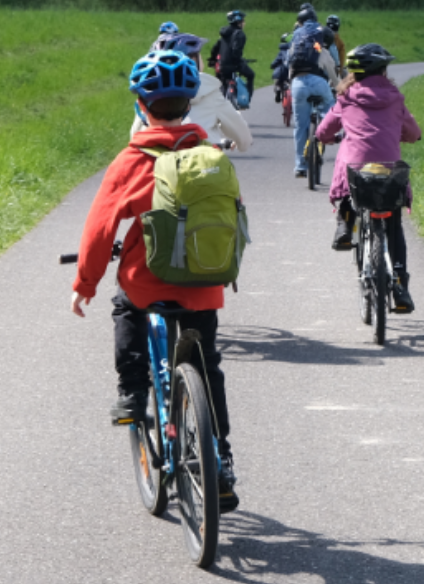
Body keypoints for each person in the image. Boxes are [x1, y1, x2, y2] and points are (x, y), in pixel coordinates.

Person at [73, 49, 239, 510]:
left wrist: (84, 284)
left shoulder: (131, 160)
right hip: (203, 285)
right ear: (188, 105)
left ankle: (131, 392)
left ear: (141, 106)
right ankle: (220, 461)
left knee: (125, 305)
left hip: (148, 284)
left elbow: (100, 229)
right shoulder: (210, 156)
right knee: (208, 366)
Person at [315, 43, 420, 313]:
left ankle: (345, 222)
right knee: (394, 225)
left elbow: (323, 132)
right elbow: (413, 132)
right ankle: (400, 286)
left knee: (349, 171)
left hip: (357, 173)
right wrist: (401, 134)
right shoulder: (395, 99)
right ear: (383, 71)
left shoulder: (346, 98)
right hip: (389, 173)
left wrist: (331, 137)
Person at [131, 33, 252, 151]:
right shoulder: (210, 93)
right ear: (192, 61)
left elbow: (134, 137)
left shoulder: (151, 96)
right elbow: (244, 139)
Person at [287, 7, 339, 177]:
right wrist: (338, 87)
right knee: (330, 106)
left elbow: (288, 64)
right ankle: (327, 130)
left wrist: (292, 84)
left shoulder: (295, 42)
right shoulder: (320, 49)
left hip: (298, 84)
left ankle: (300, 167)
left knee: (300, 126)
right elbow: (332, 71)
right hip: (318, 82)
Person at [215, 10, 254, 101]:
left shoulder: (224, 34)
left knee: (223, 83)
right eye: (243, 20)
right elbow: (236, 52)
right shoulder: (239, 34)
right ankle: (247, 97)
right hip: (233, 65)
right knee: (251, 75)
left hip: (222, 65)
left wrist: (213, 61)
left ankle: (222, 98)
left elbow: (215, 48)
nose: (244, 23)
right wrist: (240, 61)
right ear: (238, 22)